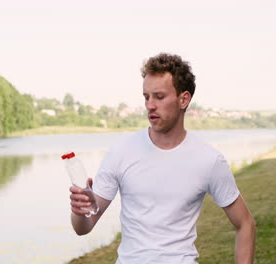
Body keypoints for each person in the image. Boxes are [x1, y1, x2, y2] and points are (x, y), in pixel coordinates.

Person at [69, 53, 256, 264]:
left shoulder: (209, 159)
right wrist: (80, 210)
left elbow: (245, 224)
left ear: (184, 99)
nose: (150, 105)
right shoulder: (121, 152)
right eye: (146, 97)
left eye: (159, 97)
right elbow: (83, 228)